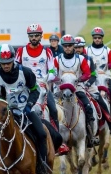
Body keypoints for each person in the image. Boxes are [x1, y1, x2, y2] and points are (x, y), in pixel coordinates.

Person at [0, 44, 55, 174]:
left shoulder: (26, 72)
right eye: (3, 63)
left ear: (13, 60)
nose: (6, 66)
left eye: (8, 62)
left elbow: (35, 90)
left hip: (24, 110)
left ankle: (42, 171)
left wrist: (29, 105)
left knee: (41, 134)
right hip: (3, 115)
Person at [15, 23, 69, 156]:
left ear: (40, 37)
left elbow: (52, 70)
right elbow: (16, 68)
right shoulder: (21, 51)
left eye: (36, 36)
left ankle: (58, 141)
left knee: (54, 109)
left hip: (42, 86)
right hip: (26, 88)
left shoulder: (47, 52)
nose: (34, 38)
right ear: (29, 37)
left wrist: (46, 78)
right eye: (31, 36)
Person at [74, 36, 111, 138]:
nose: (77, 50)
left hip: (90, 87)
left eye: (80, 47)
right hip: (74, 88)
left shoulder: (89, 60)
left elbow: (94, 75)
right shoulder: (71, 61)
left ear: (83, 48)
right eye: (76, 47)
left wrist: (87, 84)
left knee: (102, 103)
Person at [53, 35, 96, 145]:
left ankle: (90, 135)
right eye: (65, 46)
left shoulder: (80, 59)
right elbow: (52, 73)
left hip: (77, 88)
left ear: (73, 46)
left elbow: (87, 73)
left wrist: (78, 79)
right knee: (51, 109)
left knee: (88, 106)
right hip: (61, 89)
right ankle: (53, 136)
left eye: (70, 45)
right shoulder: (57, 59)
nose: (68, 48)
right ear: (62, 46)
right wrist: (58, 80)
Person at [86, 27, 111, 123]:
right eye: (95, 38)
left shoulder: (107, 50)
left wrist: (106, 66)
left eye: (99, 38)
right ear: (92, 38)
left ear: (102, 38)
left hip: (105, 76)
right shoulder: (87, 50)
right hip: (92, 76)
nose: (97, 40)